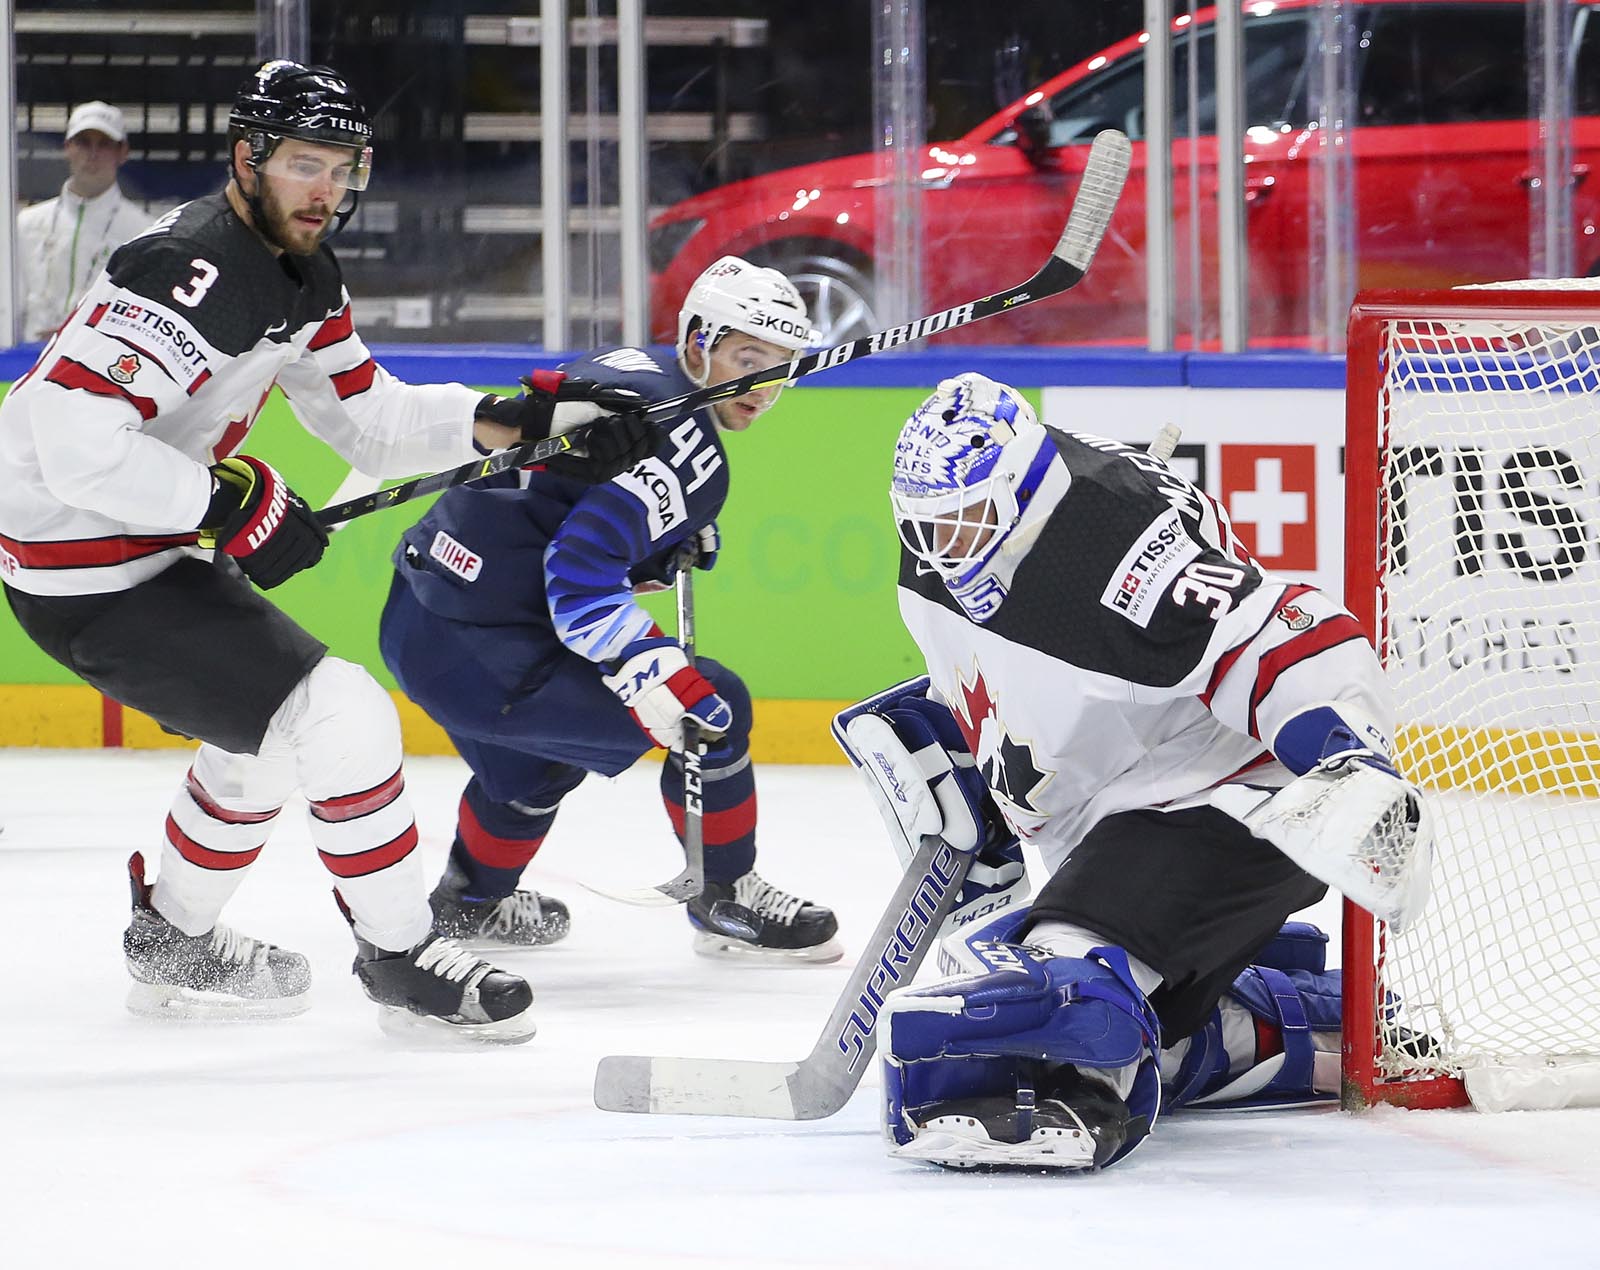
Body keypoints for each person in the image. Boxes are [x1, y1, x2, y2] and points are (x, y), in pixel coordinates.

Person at [0, 60, 653, 1042]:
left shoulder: (301, 272)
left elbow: (373, 421)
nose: (328, 188)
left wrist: (517, 420)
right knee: (337, 708)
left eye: (343, 166)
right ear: (246, 159)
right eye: (306, 163)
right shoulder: (196, 267)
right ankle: (398, 953)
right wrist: (225, 500)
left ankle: (172, 935)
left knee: (265, 735)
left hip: (130, 545)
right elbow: (68, 437)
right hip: (78, 559)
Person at [832, 372, 1433, 1170]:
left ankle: (1099, 1036)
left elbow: (1291, 631)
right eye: (928, 526)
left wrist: (1345, 759)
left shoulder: (1113, 544)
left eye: (968, 522)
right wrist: (991, 810)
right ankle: (1284, 1025)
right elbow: (1004, 683)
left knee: (1070, 988)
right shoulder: (942, 544)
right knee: (899, 733)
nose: (947, 549)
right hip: (1115, 813)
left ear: (1022, 491)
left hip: (1232, 803)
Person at [378, 255, 842, 962]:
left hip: (416, 616)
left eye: (782, 369)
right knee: (714, 704)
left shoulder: (627, 366)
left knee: (533, 766)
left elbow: (552, 501)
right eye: (749, 359)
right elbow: (580, 575)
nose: (764, 388)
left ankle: (471, 901)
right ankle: (727, 895)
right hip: (489, 654)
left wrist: (653, 545)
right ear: (698, 343)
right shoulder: (687, 448)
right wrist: (650, 668)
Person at [16, 101, 154, 342]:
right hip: (27, 360)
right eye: (83, 142)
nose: (93, 154)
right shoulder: (26, 223)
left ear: (123, 152)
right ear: (67, 147)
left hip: (96, 363)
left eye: (104, 144)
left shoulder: (144, 230)